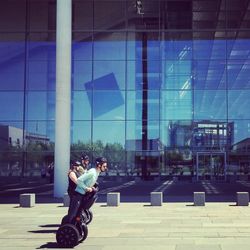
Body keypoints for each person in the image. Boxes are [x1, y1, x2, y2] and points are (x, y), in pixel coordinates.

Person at [67, 157, 108, 223]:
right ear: (99, 165)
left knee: (79, 212)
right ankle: (68, 227)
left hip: (82, 195)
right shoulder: (92, 172)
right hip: (78, 195)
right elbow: (79, 180)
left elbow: (88, 182)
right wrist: (86, 188)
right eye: (104, 166)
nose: (105, 168)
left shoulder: (97, 173)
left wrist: (91, 187)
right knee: (72, 215)